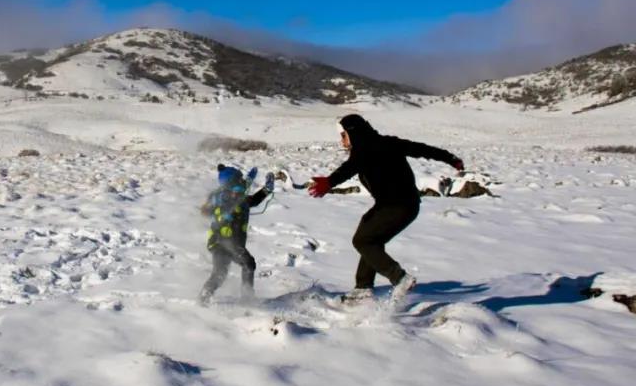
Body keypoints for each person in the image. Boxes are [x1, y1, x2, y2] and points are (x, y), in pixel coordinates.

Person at [308, 114, 464, 303]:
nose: (342, 141)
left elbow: (348, 168)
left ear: (353, 132)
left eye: (343, 136)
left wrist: (329, 182)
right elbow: (423, 149)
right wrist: (451, 159)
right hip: (403, 205)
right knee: (370, 237)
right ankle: (363, 288)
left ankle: (399, 278)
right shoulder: (388, 143)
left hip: (396, 206)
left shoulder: (364, 150)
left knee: (363, 241)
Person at [198, 164, 275, 305]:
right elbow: (206, 210)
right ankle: (247, 298)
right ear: (228, 185)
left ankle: (203, 298)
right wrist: (221, 213)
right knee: (248, 264)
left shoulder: (239, 198)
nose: (240, 187)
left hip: (225, 243)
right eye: (237, 183)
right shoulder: (222, 199)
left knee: (220, 274)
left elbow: (253, 199)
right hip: (223, 241)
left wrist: (267, 189)